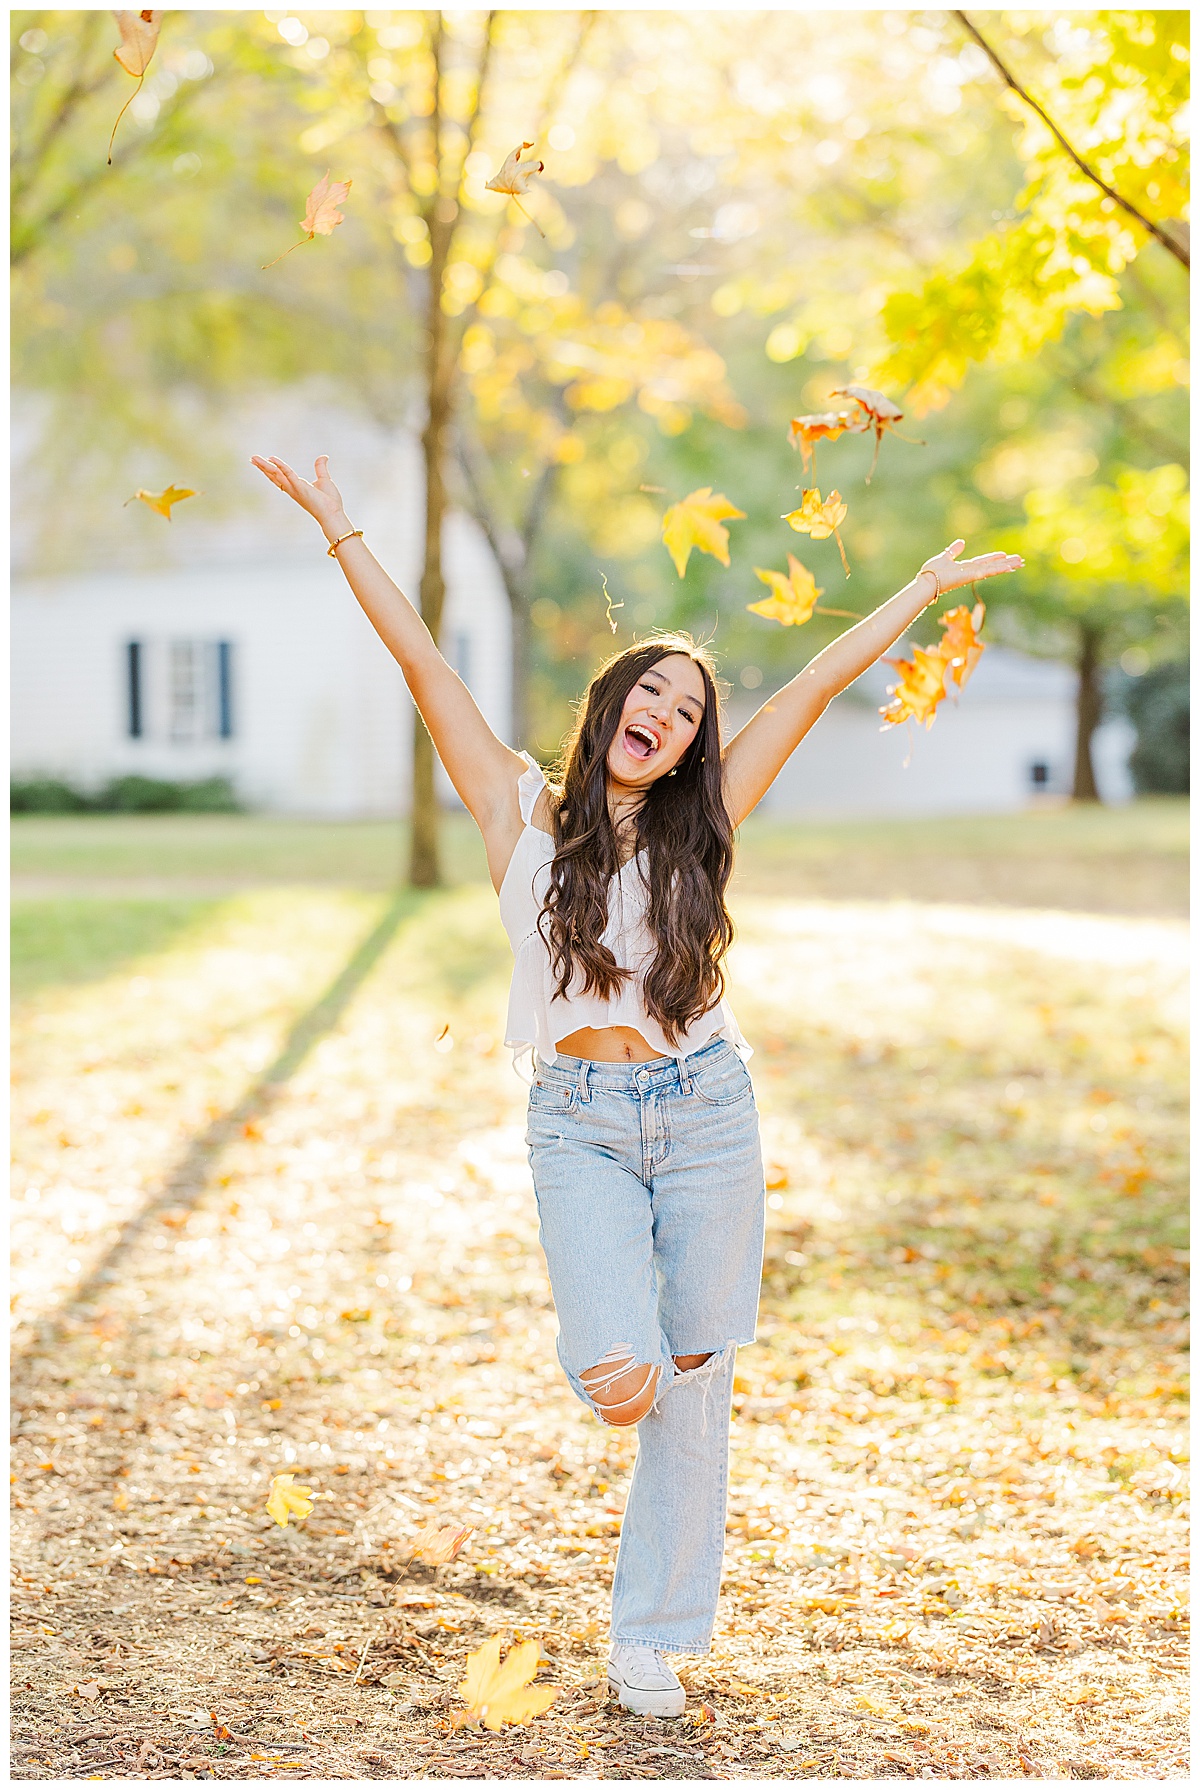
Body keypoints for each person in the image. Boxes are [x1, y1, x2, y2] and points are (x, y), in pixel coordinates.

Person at [251, 451, 1022, 1716]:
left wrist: (921, 588)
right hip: (581, 1127)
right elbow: (424, 664)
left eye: (685, 705)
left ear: (683, 748)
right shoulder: (517, 810)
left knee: (697, 1383)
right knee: (625, 1380)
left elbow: (823, 676)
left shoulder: (707, 811)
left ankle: (649, 1636)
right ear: (609, 704)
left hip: (709, 1111)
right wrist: (341, 530)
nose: (663, 708)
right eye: (646, 687)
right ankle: (633, 1382)